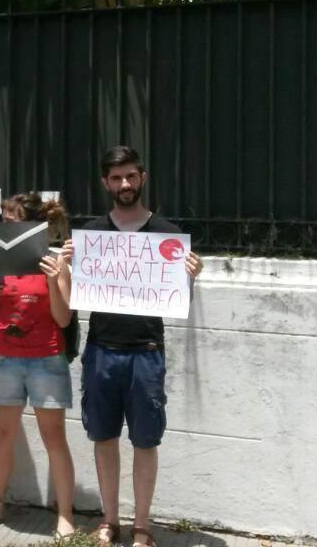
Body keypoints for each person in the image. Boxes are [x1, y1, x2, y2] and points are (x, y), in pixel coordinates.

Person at [75, 146, 203, 547]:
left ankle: (142, 526)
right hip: (101, 350)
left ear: (142, 178)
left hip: (147, 352)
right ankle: (109, 521)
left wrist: (191, 277)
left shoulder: (166, 233)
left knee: (146, 440)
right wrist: (67, 265)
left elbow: (179, 298)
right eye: (116, 178)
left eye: (131, 176)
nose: (124, 184)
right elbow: (74, 294)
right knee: (103, 437)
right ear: (105, 183)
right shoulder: (93, 234)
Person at [0, 193, 75, 534]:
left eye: (11, 222)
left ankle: (66, 515)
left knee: (53, 436)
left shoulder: (54, 262)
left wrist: (55, 281)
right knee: (1, 434)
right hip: (5, 358)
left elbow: (63, 318)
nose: (5, 227)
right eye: (4, 221)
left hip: (47, 359)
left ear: (31, 227)